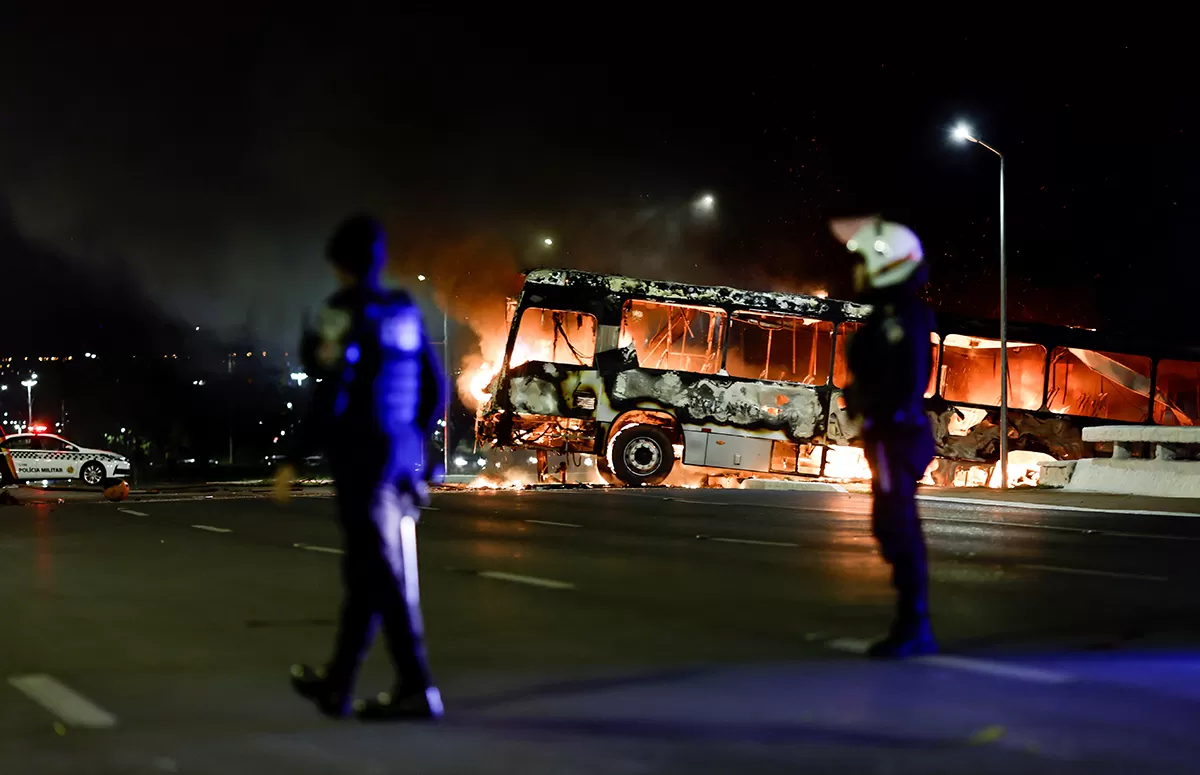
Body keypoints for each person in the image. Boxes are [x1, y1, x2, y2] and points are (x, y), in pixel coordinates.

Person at [278, 214, 447, 719]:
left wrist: (291, 456)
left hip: (362, 461)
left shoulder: (341, 311)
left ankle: (416, 688)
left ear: (338, 265)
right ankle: (339, 685)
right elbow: (433, 390)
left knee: (381, 575)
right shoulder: (404, 311)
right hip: (402, 461)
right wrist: (420, 452)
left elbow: (332, 389)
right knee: (370, 573)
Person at [832, 216, 937, 658]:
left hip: (896, 435)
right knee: (889, 523)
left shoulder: (902, 318)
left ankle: (914, 625)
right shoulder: (890, 315)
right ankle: (912, 622)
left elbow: (905, 380)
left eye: (861, 261)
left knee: (897, 524)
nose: (854, 270)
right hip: (888, 435)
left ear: (886, 264)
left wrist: (871, 400)